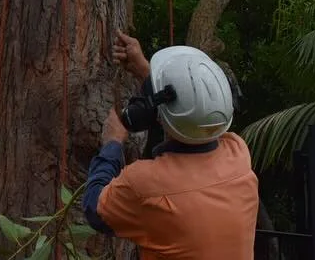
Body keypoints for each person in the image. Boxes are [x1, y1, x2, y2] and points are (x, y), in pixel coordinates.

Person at [83, 32, 261, 259]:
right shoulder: (238, 154)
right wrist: (147, 73)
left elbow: (95, 208)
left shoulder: (144, 184)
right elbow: (193, 115)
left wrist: (112, 143)